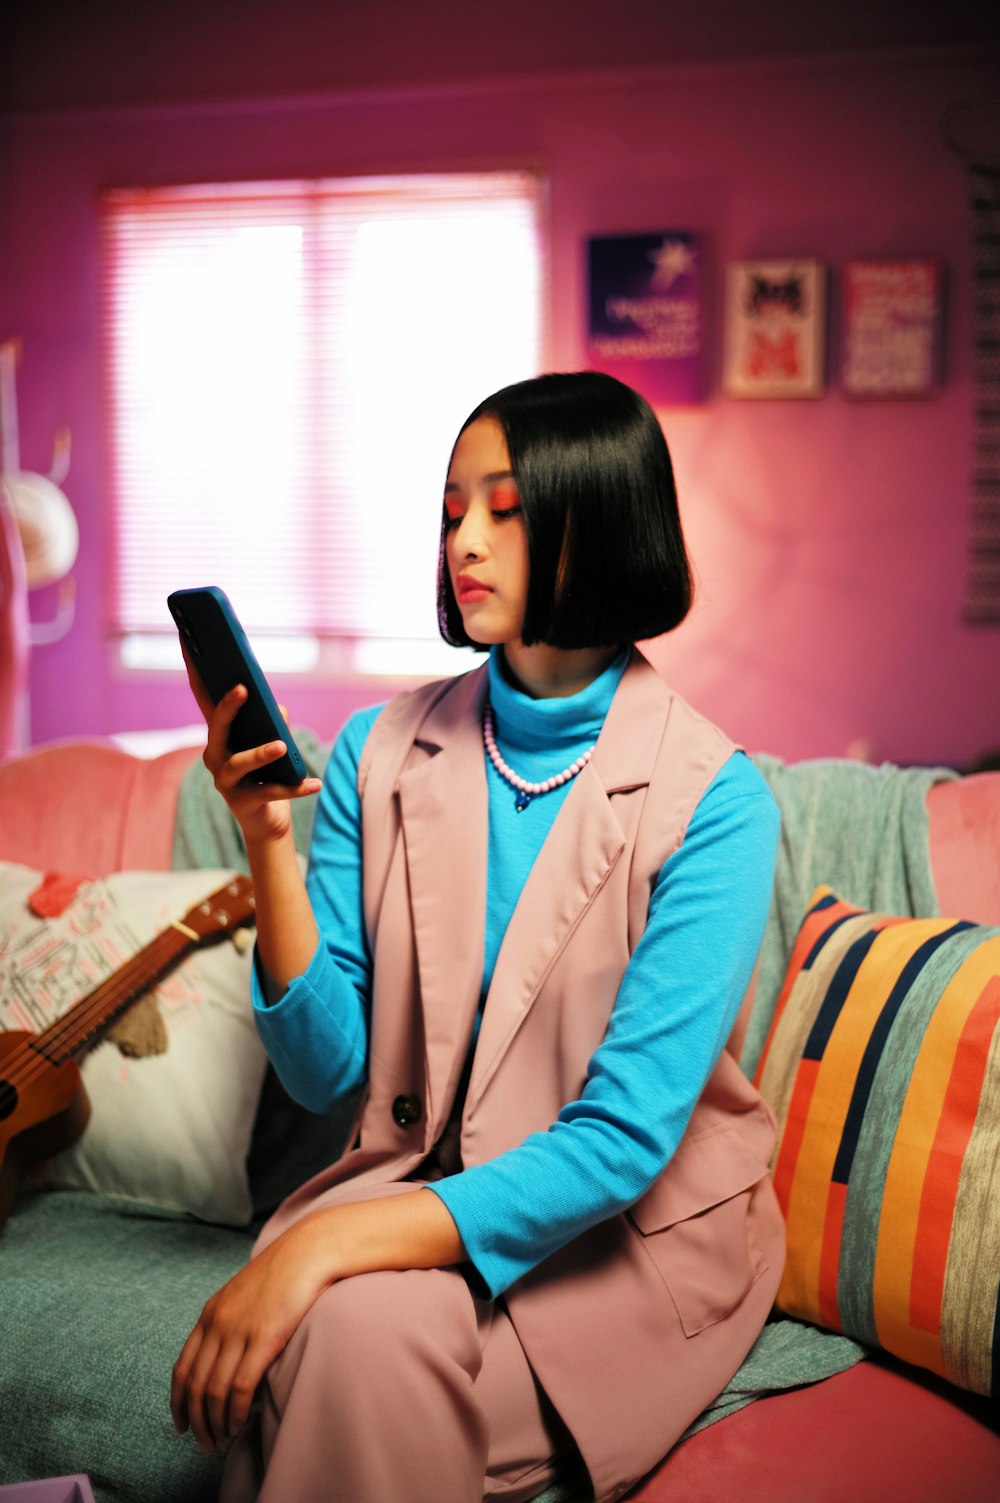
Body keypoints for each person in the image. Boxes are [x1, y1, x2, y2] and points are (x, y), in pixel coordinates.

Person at [170, 371, 785, 1503]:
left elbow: (620, 1142)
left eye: (504, 509)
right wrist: (267, 844)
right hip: (414, 1199)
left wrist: (316, 1246)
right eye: (453, 507)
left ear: (597, 518)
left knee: (332, 1338)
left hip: (624, 1240)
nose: (464, 538)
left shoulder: (718, 804)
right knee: (350, 1341)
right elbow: (329, 1073)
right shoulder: (379, 751)